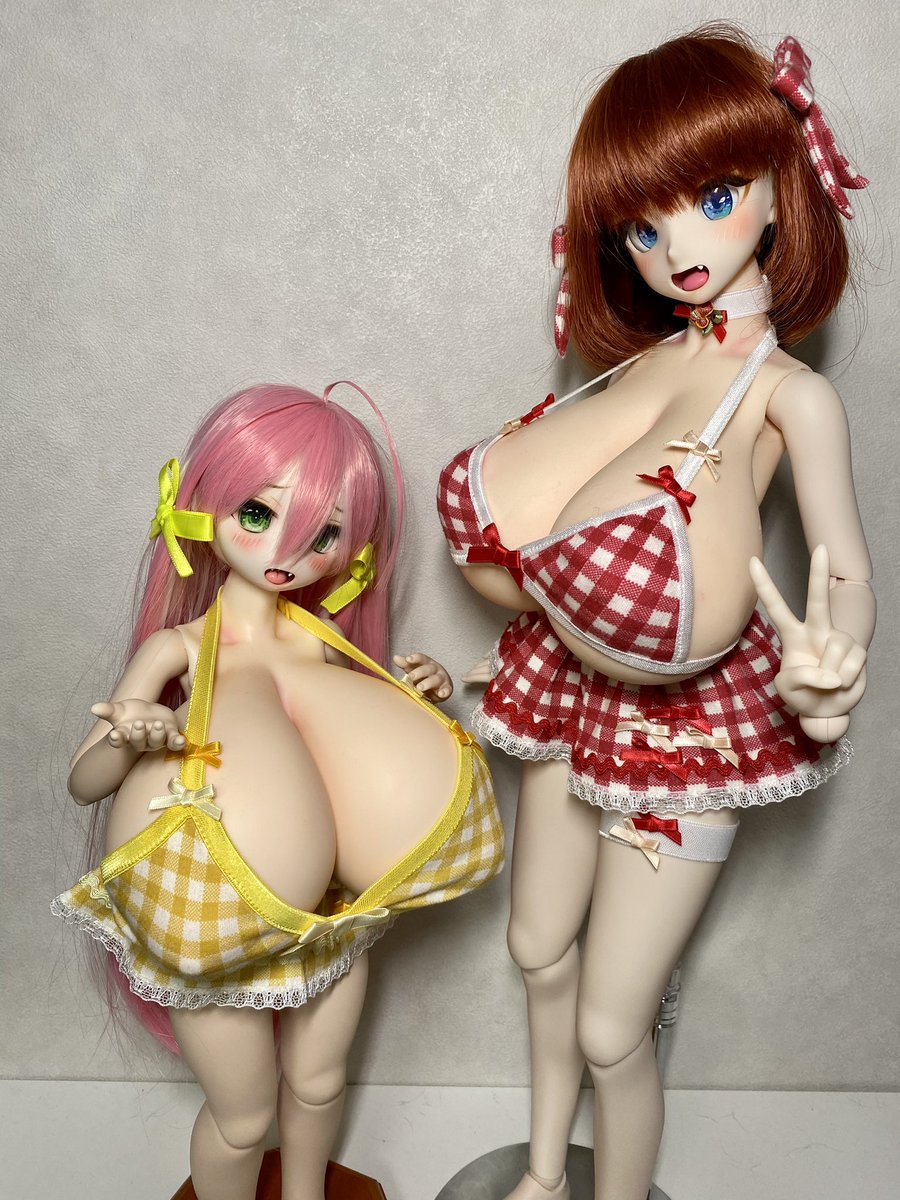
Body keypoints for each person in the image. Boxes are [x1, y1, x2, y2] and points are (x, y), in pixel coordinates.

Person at [437, 27, 873, 1200]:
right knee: (538, 952)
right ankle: (542, 1174)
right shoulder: (637, 367)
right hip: (568, 696)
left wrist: (832, 660)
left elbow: (842, 567)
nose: (677, 248)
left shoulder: (790, 396)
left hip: (690, 733)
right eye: (641, 225)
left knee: (611, 1027)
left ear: (780, 190)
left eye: (713, 199)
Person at [53, 381, 503, 1200]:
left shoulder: (320, 642)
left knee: (319, 1085)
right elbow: (86, 783)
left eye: (325, 532)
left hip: (330, 919)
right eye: (258, 514)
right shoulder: (180, 649)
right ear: (202, 509)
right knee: (242, 1117)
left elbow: (343, 746)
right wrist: (127, 733)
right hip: (215, 929)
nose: (287, 551)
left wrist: (419, 699)